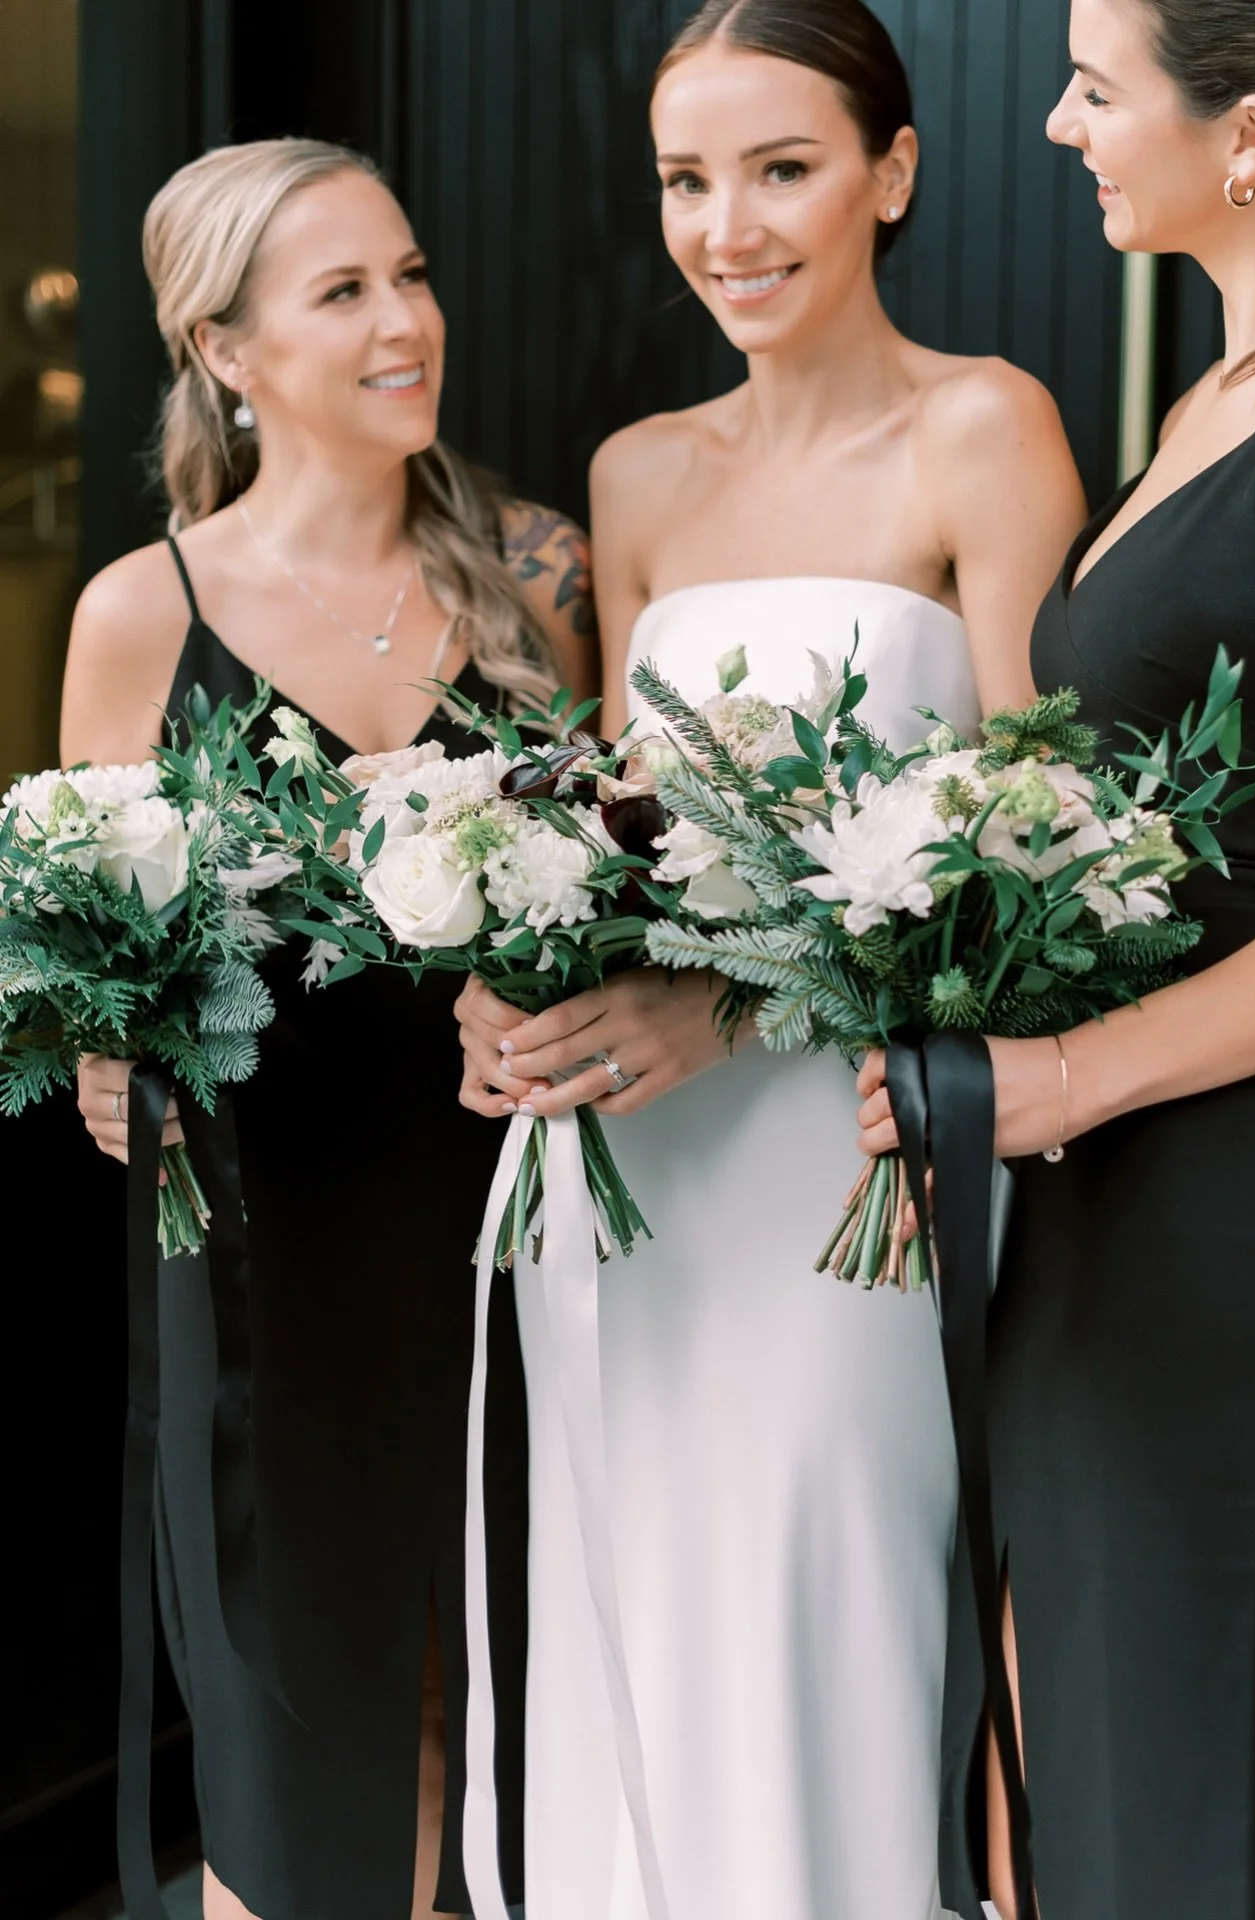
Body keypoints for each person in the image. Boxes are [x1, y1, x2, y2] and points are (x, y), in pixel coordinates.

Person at [454, 4, 1085, 1916]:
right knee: (621, 1594)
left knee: (833, 1602)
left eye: (782, 167)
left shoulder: (986, 427)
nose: (726, 224)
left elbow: (1044, 870)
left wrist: (736, 1004)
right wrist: (511, 984)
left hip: (852, 1171)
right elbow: (616, 825)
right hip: (624, 1167)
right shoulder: (635, 475)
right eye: (685, 178)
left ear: (890, 174)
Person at [855, 2, 1255, 1915]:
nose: (1054, 123)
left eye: (1098, 88)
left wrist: (1072, 1077)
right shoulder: (1218, 399)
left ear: (1253, 135)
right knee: (1108, 1797)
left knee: (1224, 1808)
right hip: (1109, 1208)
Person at [62, 138, 596, 1920]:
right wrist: (104, 1053)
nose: (405, 322)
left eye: (414, 276)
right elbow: (88, 953)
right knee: (300, 1735)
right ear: (227, 350)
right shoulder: (150, 611)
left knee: (483, 1689)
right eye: (345, 292)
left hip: (514, 1227)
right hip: (268, 1263)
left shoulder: (537, 581)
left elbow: (612, 898)